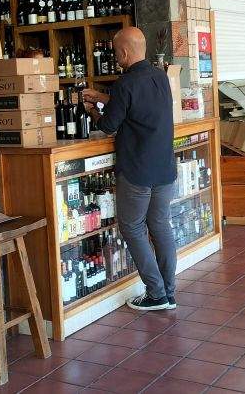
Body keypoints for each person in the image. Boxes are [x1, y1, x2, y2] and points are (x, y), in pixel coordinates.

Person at [82, 26, 178, 310]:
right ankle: (168, 292)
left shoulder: (125, 84)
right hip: (164, 169)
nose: (115, 57)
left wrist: (92, 110)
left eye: (116, 52)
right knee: (160, 227)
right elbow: (136, 108)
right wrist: (102, 96)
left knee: (133, 228)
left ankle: (156, 293)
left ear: (124, 52)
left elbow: (109, 125)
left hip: (137, 171)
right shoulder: (161, 77)